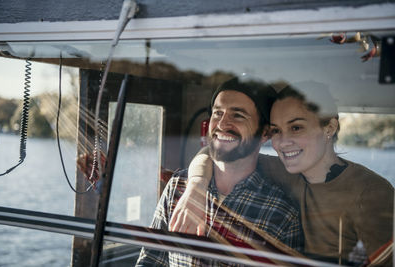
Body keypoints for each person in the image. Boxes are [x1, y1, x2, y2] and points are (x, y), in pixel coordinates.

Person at [170, 81, 394, 266]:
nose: (283, 142)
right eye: (276, 130)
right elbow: (214, 151)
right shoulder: (284, 168)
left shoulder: (372, 193)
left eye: (296, 128)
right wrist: (196, 188)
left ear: (330, 127)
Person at [136, 77, 303, 266]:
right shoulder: (178, 186)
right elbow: (150, 259)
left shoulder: (280, 212)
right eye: (217, 113)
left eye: (238, 115)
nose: (222, 124)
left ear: (265, 133)